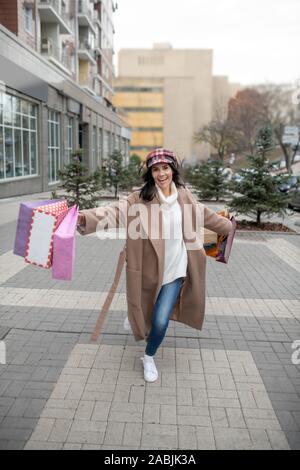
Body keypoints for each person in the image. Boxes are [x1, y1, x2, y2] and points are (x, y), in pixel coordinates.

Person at [77, 148, 233, 382]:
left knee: (160, 320)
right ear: (150, 174)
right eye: (156, 169)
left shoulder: (184, 196)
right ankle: (136, 317)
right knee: (144, 306)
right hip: (149, 269)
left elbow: (206, 215)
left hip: (177, 269)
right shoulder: (139, 199)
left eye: (165, 168)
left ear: (173, 170)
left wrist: (229, 227)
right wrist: (81, 218)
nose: (161, 174)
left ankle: (148, 357)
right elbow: (111, 212)